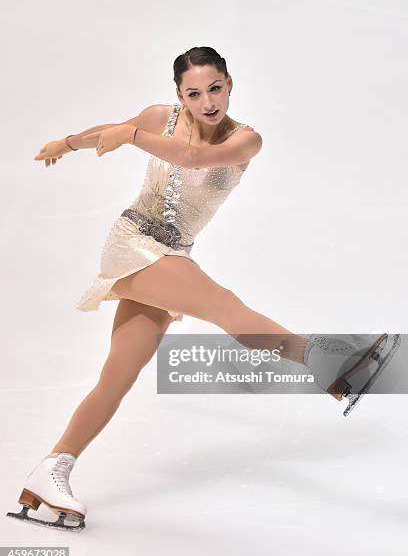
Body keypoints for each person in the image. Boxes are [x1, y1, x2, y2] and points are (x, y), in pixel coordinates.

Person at [7, 47, 398, 531]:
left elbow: (193, 157)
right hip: (133, 241)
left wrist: (129, 137)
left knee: (118, 376)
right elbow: (107, 132)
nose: (206, 101)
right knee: (223, 306)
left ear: (229, 84)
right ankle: (327, 363)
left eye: (214, 88)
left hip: (173, 254)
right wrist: (66, 143)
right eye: (194, 93)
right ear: (180, 95)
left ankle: (51, 470)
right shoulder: (159, 117)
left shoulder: (245, 140)